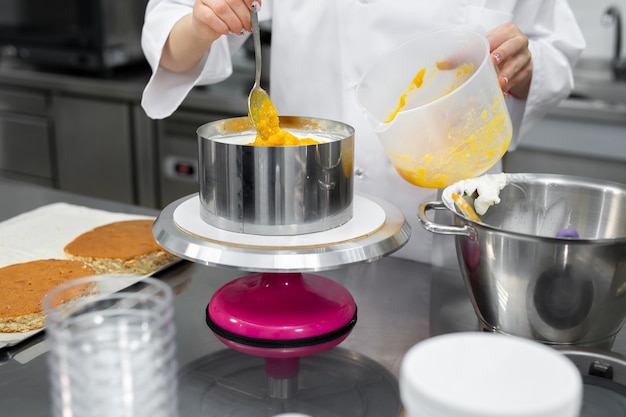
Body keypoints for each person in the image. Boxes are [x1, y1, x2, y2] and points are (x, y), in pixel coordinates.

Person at [141, 0, 585, 264]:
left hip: (453, 232)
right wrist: (203, 23)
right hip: (306, 224)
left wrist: (526, 65)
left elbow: (556, 51)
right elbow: (173, 39)